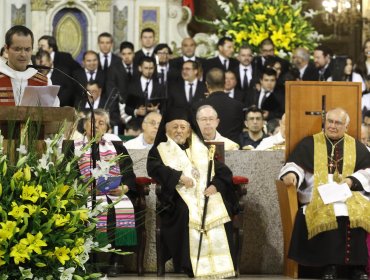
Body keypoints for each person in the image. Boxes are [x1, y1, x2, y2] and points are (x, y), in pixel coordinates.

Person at [279, 107, 370, 280]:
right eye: (330, 121)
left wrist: (351, 180)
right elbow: (294, 164)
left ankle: (356, 268)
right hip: (317, 195)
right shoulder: (310, 143)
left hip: (348, 195)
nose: (332, 126)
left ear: (347, 127)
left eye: (338, 123)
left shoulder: (356, 146)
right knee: (332, 209)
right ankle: (330, 267)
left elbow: (368, 170)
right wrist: (290, 174)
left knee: (358, 210)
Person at [147, 107, 237, 278]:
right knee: (185, 211)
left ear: (189, 131)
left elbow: (224, 172)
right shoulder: (160, 149)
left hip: (205, 194)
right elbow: (153, 168)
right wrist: (178, 177)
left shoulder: (202, 149)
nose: (179, 131)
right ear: (166, 129)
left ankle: (223, 266)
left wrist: (215, 186)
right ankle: (190, 265)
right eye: (175, 127)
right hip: (177, 197)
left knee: (221, 207)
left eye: (183, 127)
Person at [71, 109, 136, 276]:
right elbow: (69, 173)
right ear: (84, 126)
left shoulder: (117, 146)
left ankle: (116, 260)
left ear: (107, 128)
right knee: (91, 207)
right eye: (92, 122)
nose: (96, 126)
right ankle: (91, 260)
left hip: (113, 193)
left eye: (101, 123)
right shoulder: (73, 147)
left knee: (116, 207)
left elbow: (129, 174)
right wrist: (83, 187)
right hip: (85, 194)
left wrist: (124, 188)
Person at [0, 25, 59, 106]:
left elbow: (54, 114)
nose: (23, 54)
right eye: (17, 49)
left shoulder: (44, 83)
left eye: (27, 49)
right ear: (6, 48)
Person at [195, 67, 244, 145]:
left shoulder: (197, 106)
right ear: (224, 83)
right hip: (233, 151)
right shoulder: (238, 106)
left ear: (207, 84)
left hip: (206, 151)